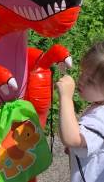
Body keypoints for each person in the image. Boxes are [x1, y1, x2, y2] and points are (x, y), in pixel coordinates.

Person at [56, 41, 104, 182]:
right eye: (83, 73)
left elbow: (72, 138)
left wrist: (66, 98)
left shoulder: (100, 116)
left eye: (90, 81)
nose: (81, 80)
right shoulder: (98, 105)